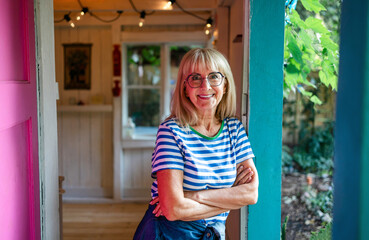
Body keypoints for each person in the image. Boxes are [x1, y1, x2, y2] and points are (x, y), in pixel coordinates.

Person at [133, 48, 259, 240]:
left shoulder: (234, 130)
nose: (205, 86)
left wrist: (193, 196)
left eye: (214, 76)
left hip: (214, 233)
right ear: (185, 87)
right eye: (195, 78)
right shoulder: (171, 132)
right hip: (170, 233)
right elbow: (173, 209)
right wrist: (231, 198)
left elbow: (250, 194)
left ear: (225, 85)